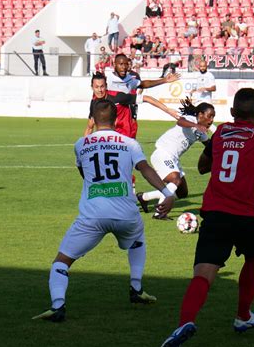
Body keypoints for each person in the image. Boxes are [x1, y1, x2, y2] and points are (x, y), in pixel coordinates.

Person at [157, 88, 254, 347]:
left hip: (215, 214)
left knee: (203, 273)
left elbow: (202, 167)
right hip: (248, 216)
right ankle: (243, 315)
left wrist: (223, 147)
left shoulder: (221, 132)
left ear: (233, 112)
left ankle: (185, 322)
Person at [33, 100, 176, 322]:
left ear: (91, 119)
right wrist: (168, 193)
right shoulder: (130, 144)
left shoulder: (80, 144)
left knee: (61, 262)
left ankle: (58, 305)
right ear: (117, 119)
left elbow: (85, 173)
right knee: (137, 238)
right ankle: (136, 289)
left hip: (92, 216)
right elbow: (145, 169)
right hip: (127, 215)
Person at [137, 99, 214, 218]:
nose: (211, 120)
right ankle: (160, 213)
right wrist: (196, 125)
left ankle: (144, 197)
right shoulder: (191, 119)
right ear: (200, 115)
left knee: (182, 193)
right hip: (162, 153)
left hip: (174, 158)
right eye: (209, 116)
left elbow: (210, 146)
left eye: (213, 117)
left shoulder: (202, 133)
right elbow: (180, 122)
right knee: (175, 179)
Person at [107, 54, 180, 139]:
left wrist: (164, 80)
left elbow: (143, 84)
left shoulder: (129, 79)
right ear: (114, 64)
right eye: (121, 64)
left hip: (125, 118)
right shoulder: (108, 79)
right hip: (109, 119)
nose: (124, 67)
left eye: (126, 64)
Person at [84, 72, 180, 136]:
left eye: (102, 86)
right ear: (92, 87)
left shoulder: (118, 97)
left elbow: (146, 98)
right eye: (97, 87)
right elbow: (89, 126)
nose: (100, 90)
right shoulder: (94, 101)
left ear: (106, 86)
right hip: (108, 136)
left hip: (125, 135)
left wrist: (168, 110)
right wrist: (85, 147)